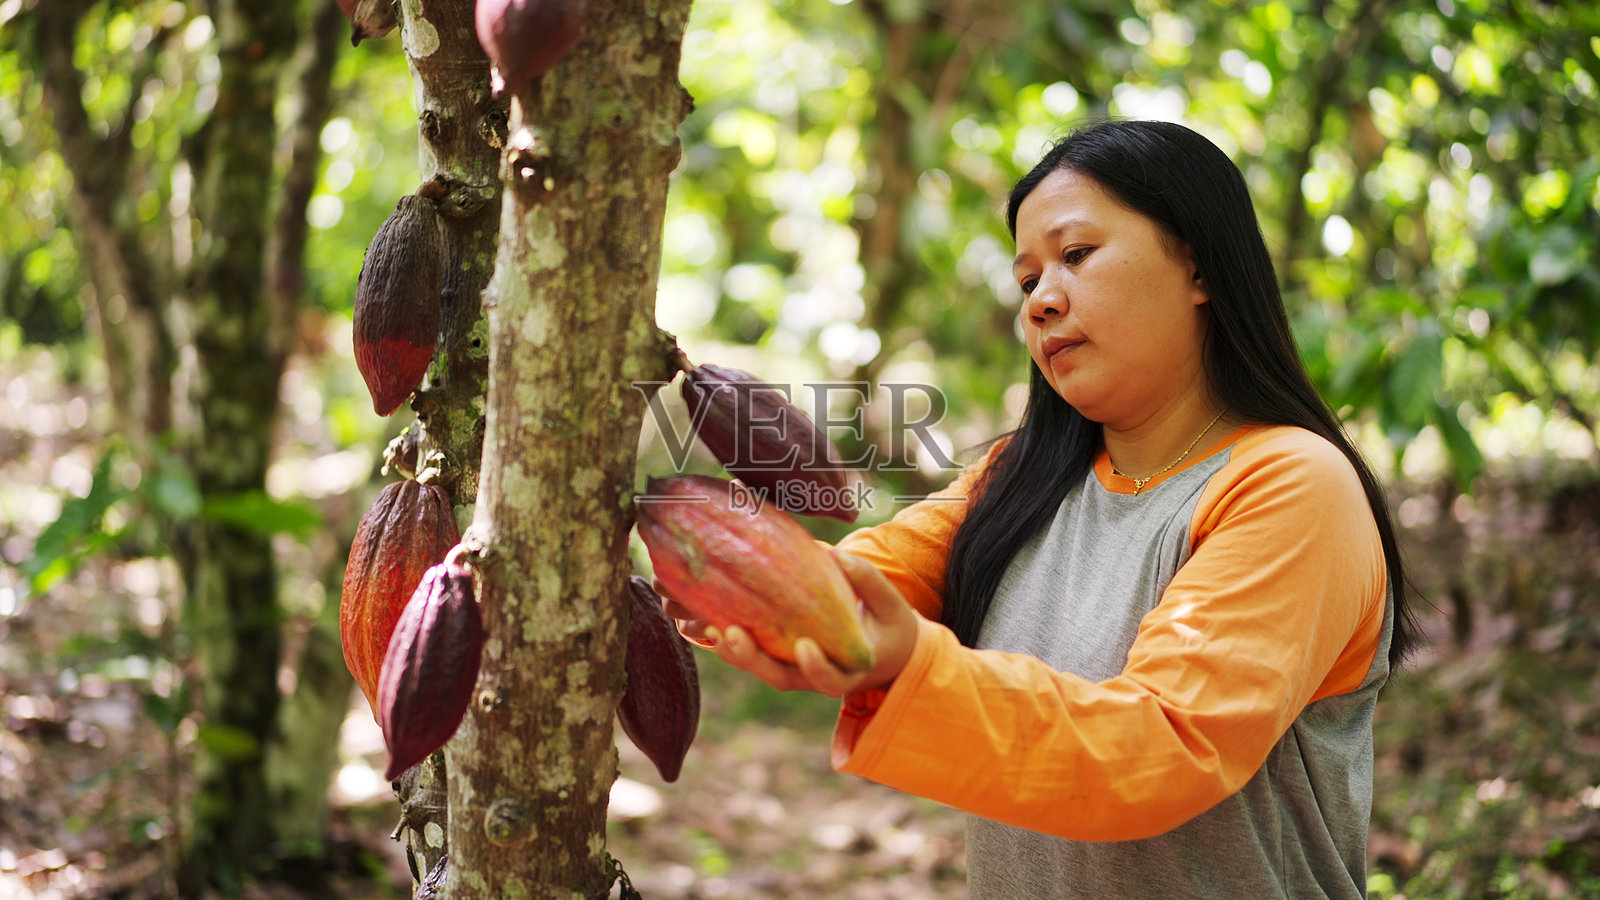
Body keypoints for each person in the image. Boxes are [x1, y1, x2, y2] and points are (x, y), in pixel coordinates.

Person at [664, 119, 1415, 899]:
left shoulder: (1293, 484)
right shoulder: (1018, 480)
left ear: (1197, 264)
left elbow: (1162, 746)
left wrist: (905, 663)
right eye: (1027, 282)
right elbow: (857, 579)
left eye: (1077, 256)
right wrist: (693, 562)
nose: (1042, 303)